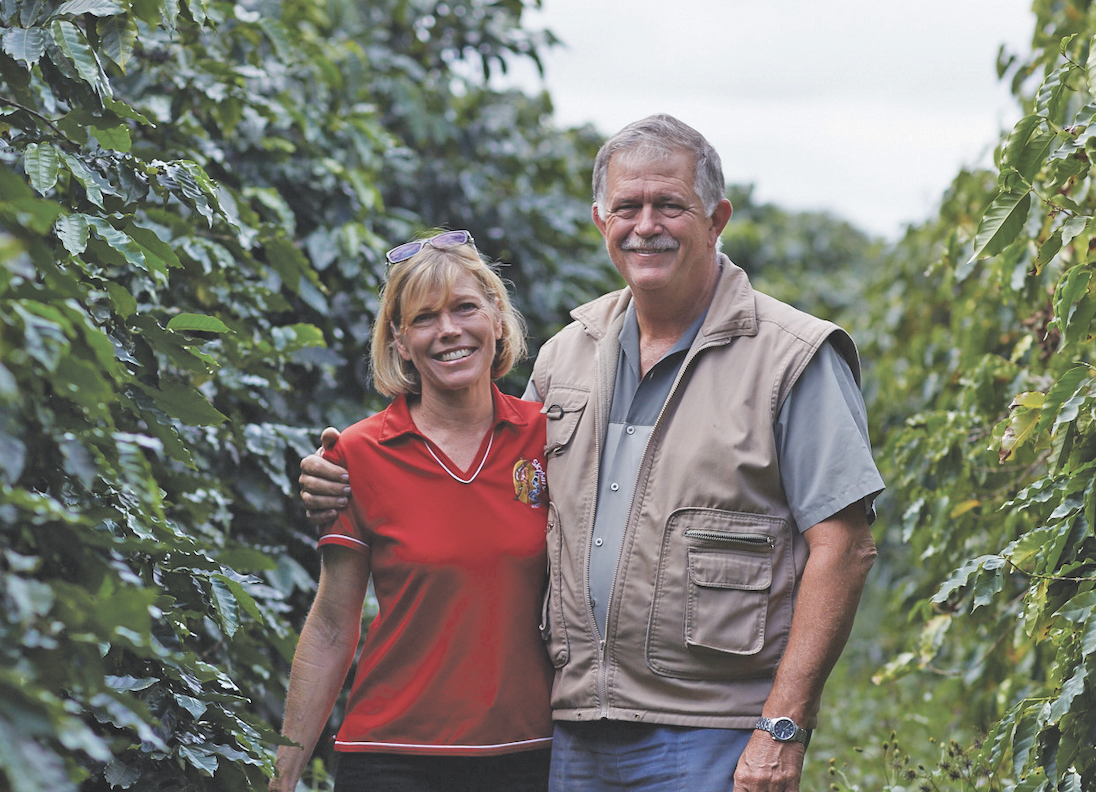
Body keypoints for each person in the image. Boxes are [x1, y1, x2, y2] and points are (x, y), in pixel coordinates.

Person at [300, 115, 883, 792]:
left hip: (713, 729)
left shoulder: (792, 357)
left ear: (717, 217)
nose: (646, 226)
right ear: (600, 219)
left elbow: (844, 547)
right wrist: (338, 476)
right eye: (627, 207)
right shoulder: (568, 354)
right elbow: (485, 472)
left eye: (670, 205)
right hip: (574, 730)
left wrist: (782, 727)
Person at [273, 231, 554, 792]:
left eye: (465, 307)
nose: (448, 330)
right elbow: (332, 625)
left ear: (497, 319)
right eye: (424, 318)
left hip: (530, 754)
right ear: (399, 341)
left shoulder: (549, 436)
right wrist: (282, 780)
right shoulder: (356, 453)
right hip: (391, 757)